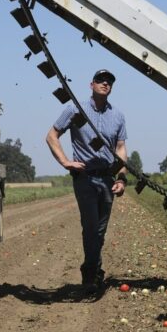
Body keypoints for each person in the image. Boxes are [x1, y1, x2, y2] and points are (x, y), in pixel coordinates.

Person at [46, 69, 128, 293]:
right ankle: (91, 274)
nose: (105, 83)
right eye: (101, 80)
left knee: (100, 230)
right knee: (91, 227)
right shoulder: (74, 109)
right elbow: (52, 136)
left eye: (110, 81)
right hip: (85, 178)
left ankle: (93, 270)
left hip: (108, 178)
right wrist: (65, 162)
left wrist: (121, 178)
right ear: (91, 84)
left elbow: (121, 148)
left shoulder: (118, 116)